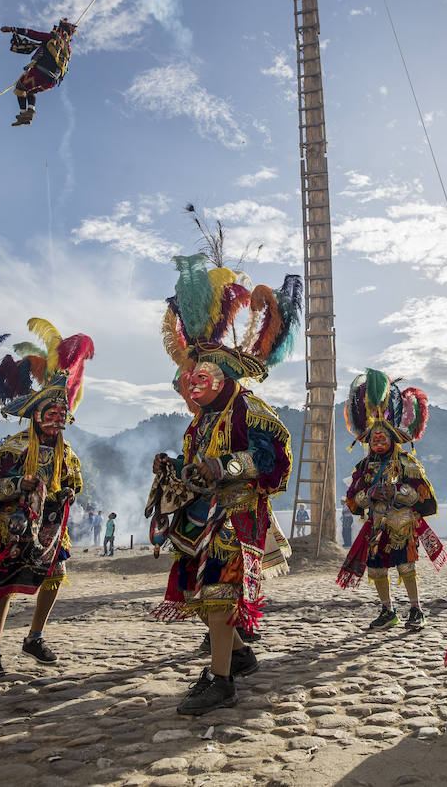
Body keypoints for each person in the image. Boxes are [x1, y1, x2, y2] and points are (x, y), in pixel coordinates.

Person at [148, 255, 299, 715]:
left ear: (225, 376)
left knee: (218, 590)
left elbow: (270, 460)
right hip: (199, 517)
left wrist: (219, 470)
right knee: (202, 590)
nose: (192, 386)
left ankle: (221, 681)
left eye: (201, 378)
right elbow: (195, 464)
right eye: (190, 380)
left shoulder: (250, 411)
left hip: (235, 516)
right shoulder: (201, 422)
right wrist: (173, 468)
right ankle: (238, 654)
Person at [0, 318, 94, 680]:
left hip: (53, 528)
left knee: (56, 576)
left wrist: (70, 489)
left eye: (62, 414)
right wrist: (17, 487)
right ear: (36, 416)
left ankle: (35, 636)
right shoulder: (14, 447)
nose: (58, 419)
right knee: (4, 583)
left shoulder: (67, 451)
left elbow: (74, 479)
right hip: (14, 525)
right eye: (51, 413)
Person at [337, 369, 445, 629]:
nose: (378, 440)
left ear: (394, 438)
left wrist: (397, 493)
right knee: (376, 570)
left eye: (383, 436)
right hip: (376, 526)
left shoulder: (406, 462)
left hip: (403, 523)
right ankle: (388, 611)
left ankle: (416, 609)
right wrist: (370, 494)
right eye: (374, 438)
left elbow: (424, 495)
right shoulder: (364, 467)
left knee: (406, 567)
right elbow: (353, 499)